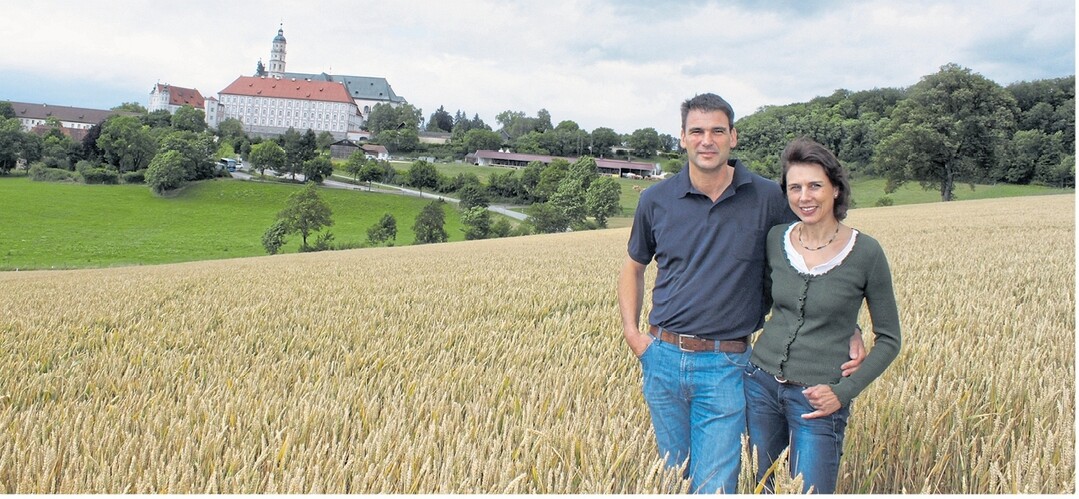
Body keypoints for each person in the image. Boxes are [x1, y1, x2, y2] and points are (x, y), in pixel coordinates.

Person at [617, 94, 865, 494]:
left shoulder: (768, 197)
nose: (707, 140)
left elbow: (811, 255)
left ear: (733, 136)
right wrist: (633, 335)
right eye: (696, 131)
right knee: (674, 478)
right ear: (682, 138)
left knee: (714, 487)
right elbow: (634, 266)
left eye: (717, 130)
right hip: (661, 358)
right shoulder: (655, 200)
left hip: (726, 365)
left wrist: (846, 324)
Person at [744, 137, 902, 494]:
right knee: (759, 488)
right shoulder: (775, 239)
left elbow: (891, 340)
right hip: (760, 385)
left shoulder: (866, 252)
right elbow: (767, 301)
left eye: (815, 185)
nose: (805, 197)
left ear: (835, 189)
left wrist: (843, 392)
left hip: (818, 400)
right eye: (795, 187)